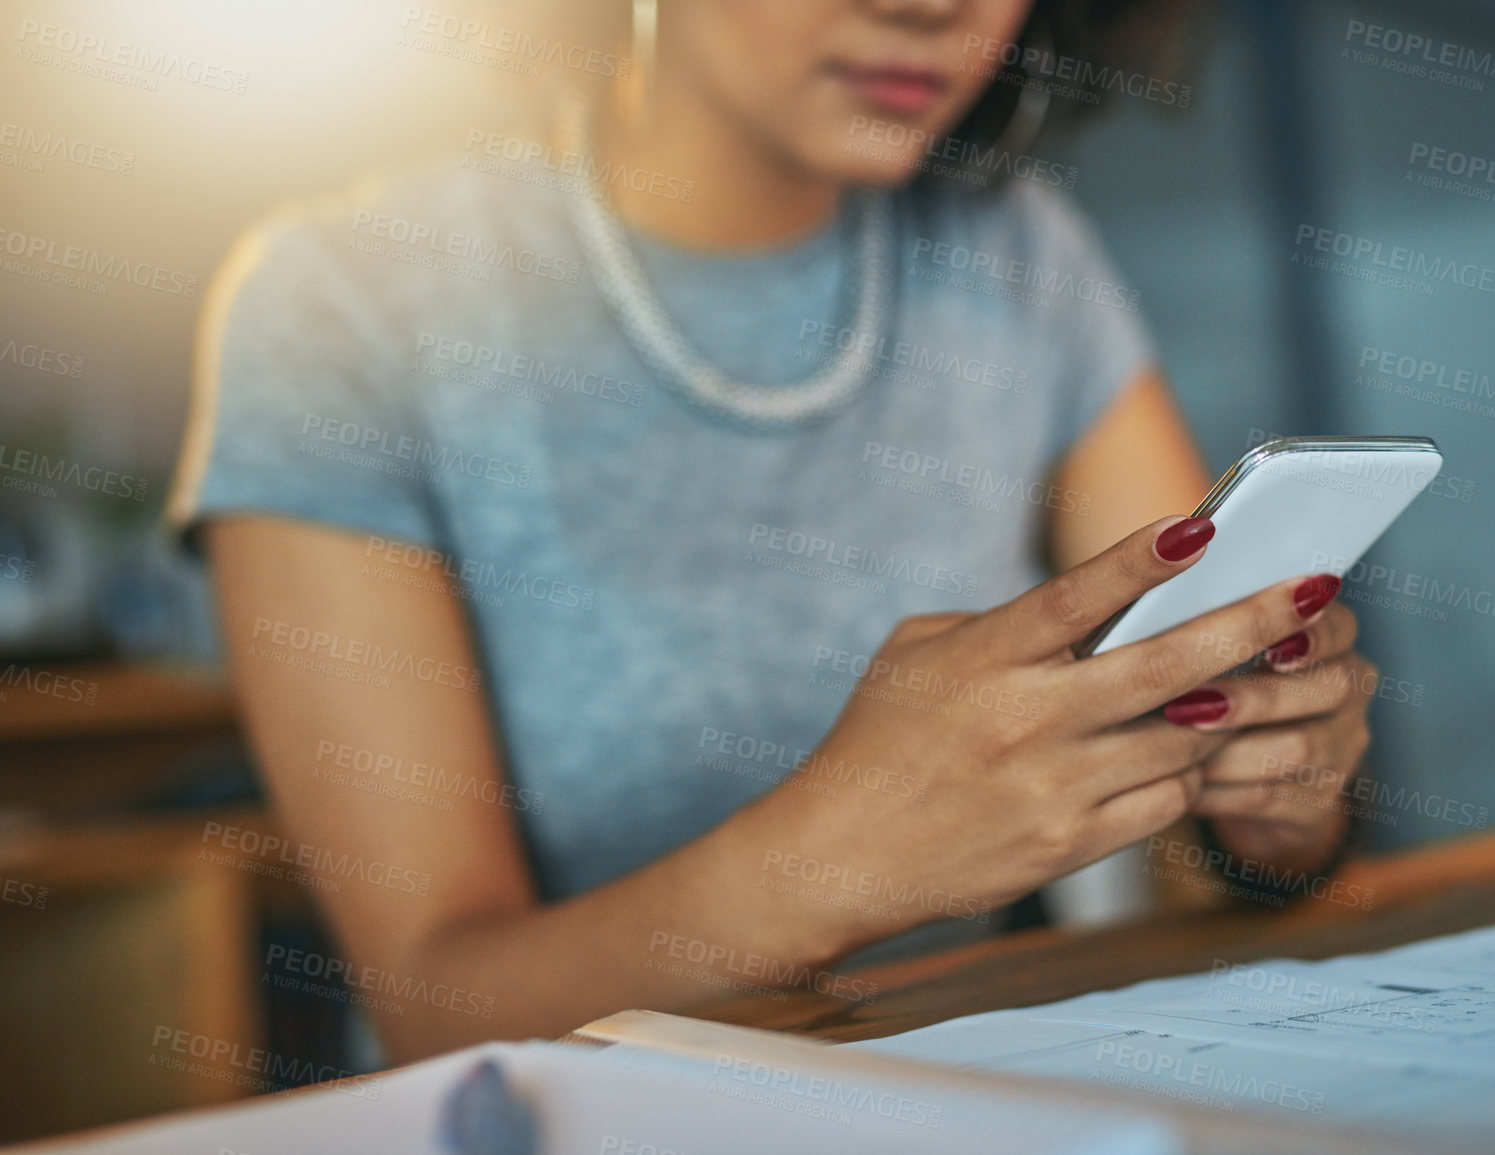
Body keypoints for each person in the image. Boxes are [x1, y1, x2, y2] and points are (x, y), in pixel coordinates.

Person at [167, 0, 1373, 1062]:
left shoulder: (1017, 249)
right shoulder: (340, 302)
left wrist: (1276, 808)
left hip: (964, 1082)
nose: (930, 6)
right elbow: (439, 1004)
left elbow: (1222, 741)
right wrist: (831, 865)